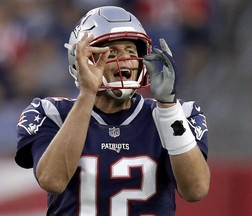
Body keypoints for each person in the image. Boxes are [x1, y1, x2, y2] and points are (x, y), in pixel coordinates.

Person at [15, 6, 210, 216]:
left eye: (130, 51)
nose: (125, 59)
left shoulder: (177, 114)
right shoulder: (50, 113)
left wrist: (169, 109)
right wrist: (87, 93)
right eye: (111, 52)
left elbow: (196, 189)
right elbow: (52, 180)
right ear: (81, 60)